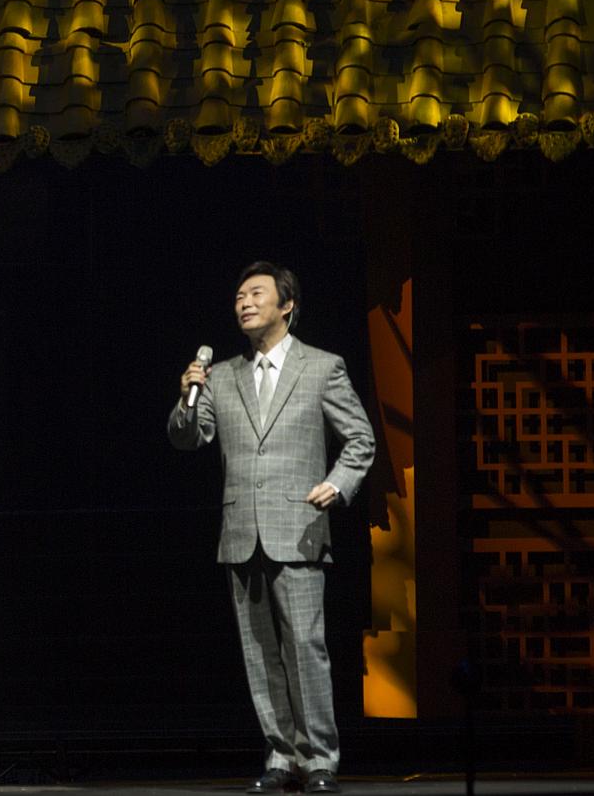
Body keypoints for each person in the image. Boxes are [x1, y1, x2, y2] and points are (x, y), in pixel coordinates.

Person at [168, 261, 374, 794]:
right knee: (259, 655)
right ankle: (282, 757)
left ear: (287, 305)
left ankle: (321, 758)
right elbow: (188, 438)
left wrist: (338, 483)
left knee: (305, 648)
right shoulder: (223, 376)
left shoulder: (323, 367)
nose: (244, 302)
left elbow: (361, 440)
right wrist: (187, 395)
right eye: (238, 295)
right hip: (241, 532)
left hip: (300, 526)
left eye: (256, 293)